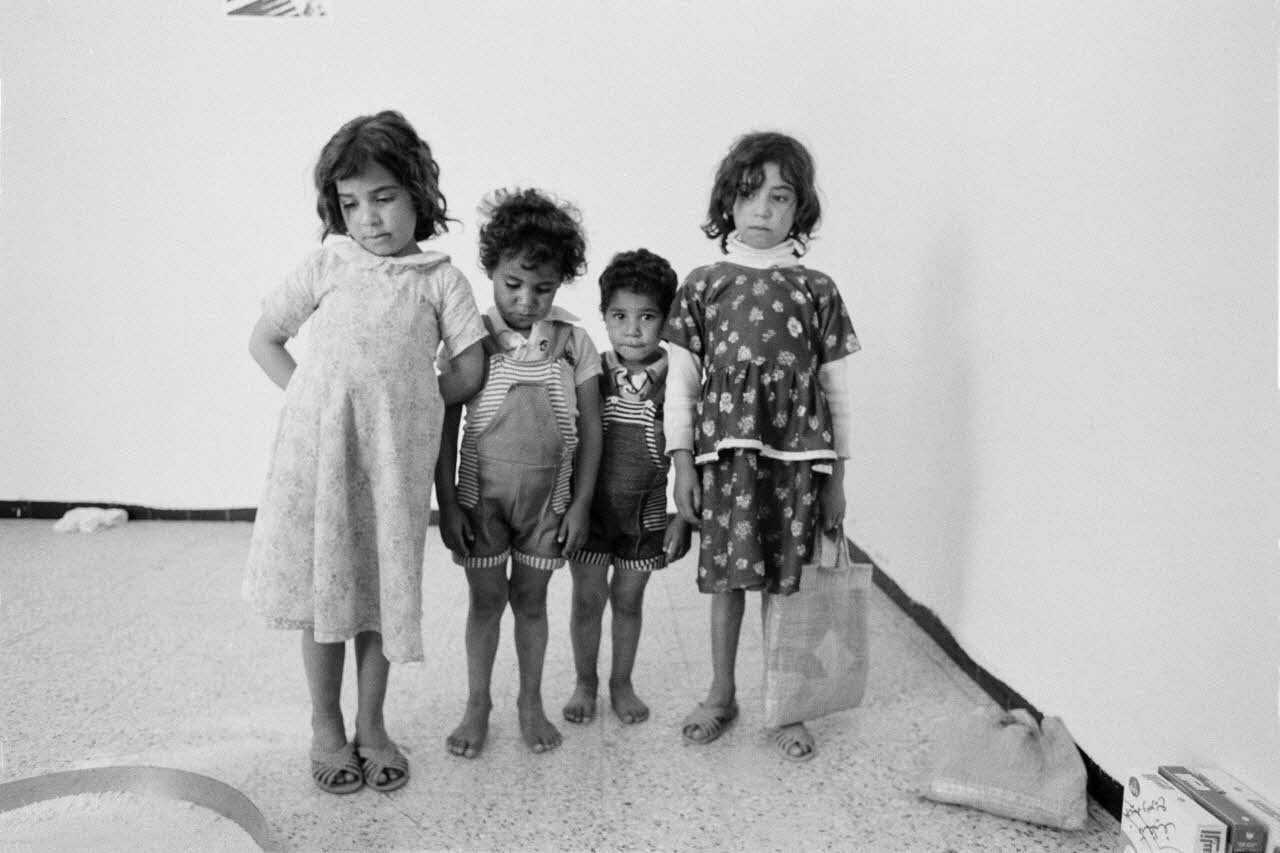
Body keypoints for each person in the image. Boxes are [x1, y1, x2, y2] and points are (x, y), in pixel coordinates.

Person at [243, 110, 486, 794]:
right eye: (351, 204)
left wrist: (411, 400)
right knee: (328, 592)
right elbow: (265, 338)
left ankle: (373, 724)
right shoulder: (328, 262)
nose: (369, 218)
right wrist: (310, 402)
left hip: (392, 466)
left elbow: (468, 370)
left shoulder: (440, 278)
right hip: (320, 461)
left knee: (377, 595)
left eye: (383, 197)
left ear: (418, 193)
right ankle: (326, 724)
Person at [664, 131, 860, 762]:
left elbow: (837, 390)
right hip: (726, 459)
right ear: (729, 201)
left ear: (799, 210)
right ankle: (721, 693)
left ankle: (787, 707)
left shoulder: (817, 289)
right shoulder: (701, 285)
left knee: (787, 584)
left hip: (799, 460)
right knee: (727, 581)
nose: (764, 210)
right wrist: (680, 464)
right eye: (751, 195)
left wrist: (837, 476)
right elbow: (683, 388)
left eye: (780, 198)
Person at [435, 188, 602, 757]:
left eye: (544, 288)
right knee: (486, 602)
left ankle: (529, 701)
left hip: (547, 506)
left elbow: (592, 431)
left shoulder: (574, 342)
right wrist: (449, 504)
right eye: (513, 284)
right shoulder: (470, 339)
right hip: (481, 501)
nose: (528, 300)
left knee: (532, 603)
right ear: (491, 271)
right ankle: (476, 703)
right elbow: (445, 425)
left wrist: (578, 506)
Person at [562, 249, 693, 727]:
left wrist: (683, 519)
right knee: (586, 601)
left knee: (629, 601)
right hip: (593, 513)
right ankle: (585, 681)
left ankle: (621, 682)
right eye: (619, 316)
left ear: (667, 319)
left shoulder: (677, 383)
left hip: (646, 517)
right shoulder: (589, 373)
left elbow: (688, 453)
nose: (632, 329)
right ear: (604, 317)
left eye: (647, 316)